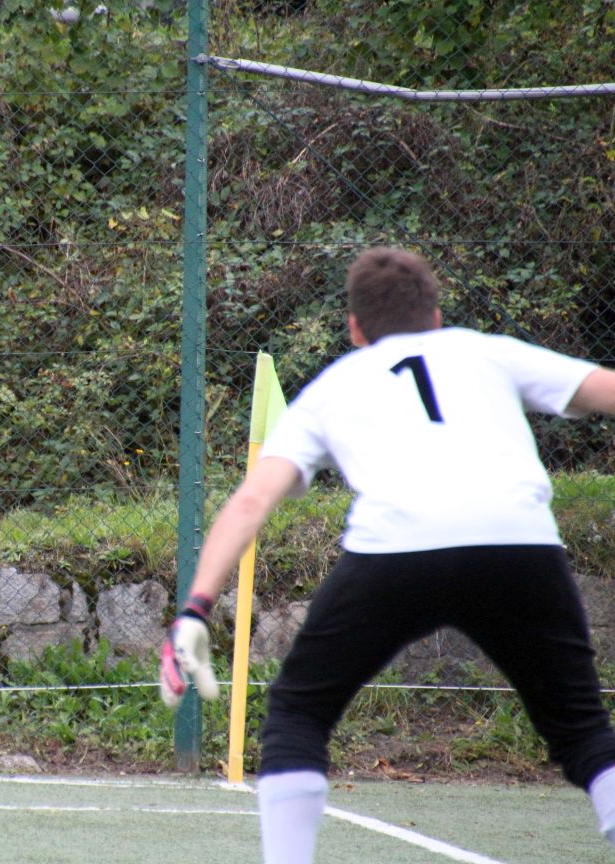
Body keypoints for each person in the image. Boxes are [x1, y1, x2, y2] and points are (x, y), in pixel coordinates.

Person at [159, 246, 615, 863]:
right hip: (518, 544)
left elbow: (251, 501)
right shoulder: (487, 351)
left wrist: (195, 608)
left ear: (354, 328)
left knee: (298, 715)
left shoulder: (333, 386)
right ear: (436, 316)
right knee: (583, 732)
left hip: (396, 550)